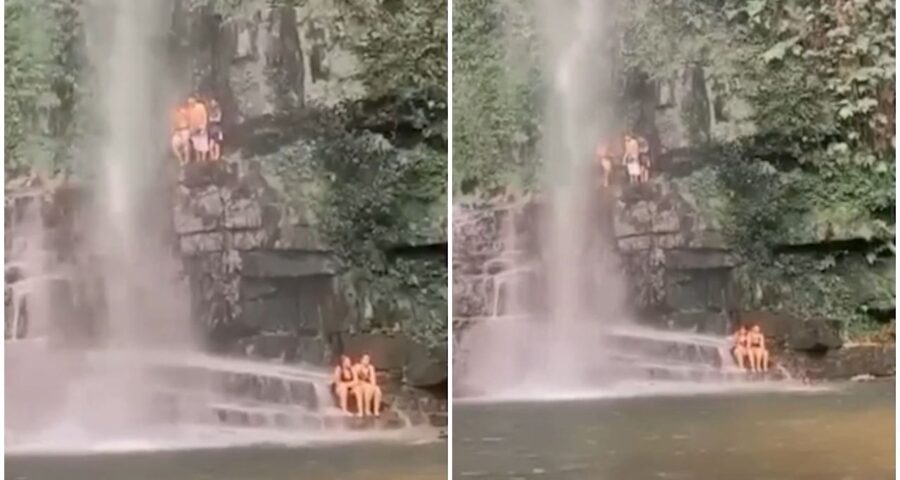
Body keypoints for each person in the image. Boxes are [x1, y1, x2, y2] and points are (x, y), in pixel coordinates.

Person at [187, 96, 209, 162]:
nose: (190, 103)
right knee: (196, 145)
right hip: (194, 129)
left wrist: (204, 127)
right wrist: (191, 130)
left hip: (201, 128)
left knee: (203, 145)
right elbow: (190, 120)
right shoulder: (190, 109)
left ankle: (203, 159)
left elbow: (204, 116)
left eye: (191, 101)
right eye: (189, 102)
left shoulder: (201, 106)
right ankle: (198, 160)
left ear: (194, 100)